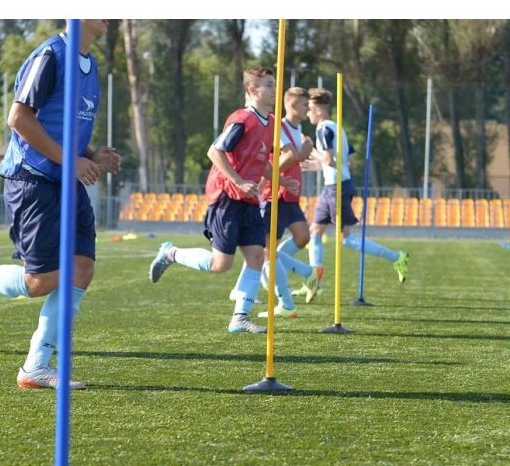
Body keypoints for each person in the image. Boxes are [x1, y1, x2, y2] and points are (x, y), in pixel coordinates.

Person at [0, 20, 121, 390]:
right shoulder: (51, 55)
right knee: (39, 282)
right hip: (33, 179)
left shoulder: (90, 63)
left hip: (66, 180)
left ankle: (36, 367)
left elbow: (59, 127)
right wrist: (72, 159)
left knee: (81, 268)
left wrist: (90, 154)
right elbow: (18, 118)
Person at [148, 66, 298, 334]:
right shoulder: (242, 119)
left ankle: (240, 317)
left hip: (249, 200)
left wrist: (281, 180)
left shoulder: (272, 122)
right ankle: (171, 253)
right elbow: (214, 151)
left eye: (274, 84)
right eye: (268, 85)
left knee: (256, 256)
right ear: (252, 89)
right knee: (221, 265)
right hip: (226, 197)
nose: (274, 89)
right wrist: (238, 181)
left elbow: (260, 161)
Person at [227, 86, 321, 316]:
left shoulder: (298, 131)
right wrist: (297, 157)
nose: (308, 109)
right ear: (292, 105)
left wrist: (304, 158)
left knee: (301, 238)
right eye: (304, 105)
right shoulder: (279, 126)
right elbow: (285, 158)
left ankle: (296, 276)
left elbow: (292, 158)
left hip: (289, 195)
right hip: (274, 194)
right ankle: (287, 299)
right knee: (265, 251)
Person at [304, 87, 409, 284]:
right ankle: (314, 282)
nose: (306, 112)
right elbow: (349, 162)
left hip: (337, 188)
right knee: (314, 233)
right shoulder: (338, 128)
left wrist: (310, 150)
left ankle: (397, 257)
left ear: (317, 109)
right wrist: (316, 165)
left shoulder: (322, 129)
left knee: (346, 239)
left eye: (308, 108)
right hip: (332, 187)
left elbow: (329, 160)